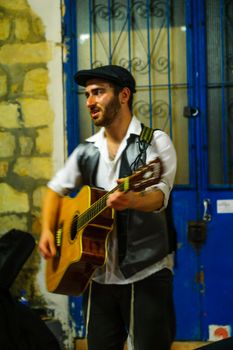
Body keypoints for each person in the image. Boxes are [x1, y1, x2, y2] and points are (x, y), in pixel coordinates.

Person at [39, 64, 177, 350]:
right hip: (97, 274)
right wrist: (48, 232)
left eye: (98, 92)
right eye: (87, 94)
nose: (89, 101)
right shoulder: (85, 150)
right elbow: (55, 189)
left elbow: (159, 197)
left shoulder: (154, 143)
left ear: (123, 95)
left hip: (145, 272)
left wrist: (133, 200)